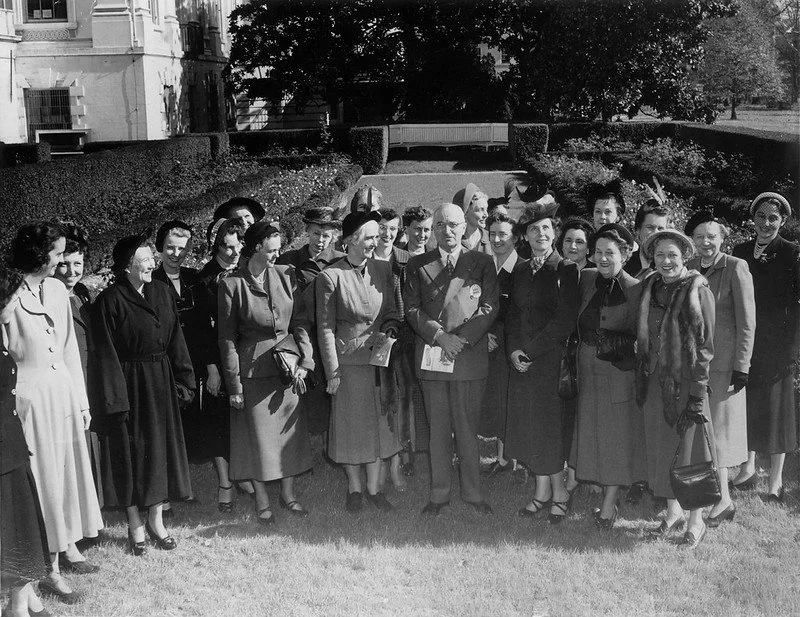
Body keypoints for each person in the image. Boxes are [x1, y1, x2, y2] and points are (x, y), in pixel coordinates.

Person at [3, 222, 103, 603]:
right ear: (38, 254)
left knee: (63, 481)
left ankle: (60, 559)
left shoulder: (59, 290)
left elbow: (68, 351)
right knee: (40, 484)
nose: (62, 261)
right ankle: (42, 572)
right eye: (57, 253)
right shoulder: (8, 294)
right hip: (28, 404)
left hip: (61, 397)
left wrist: (81, 402)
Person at [91, 234, 195, 555]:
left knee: (158, 454)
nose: (152, 263)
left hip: (161, 383)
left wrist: (185, 381)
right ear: (126, 267)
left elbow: (176, 340)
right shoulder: (110, 301)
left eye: (152, 258)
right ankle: (135, 526)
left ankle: (156, 521)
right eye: (145, 260)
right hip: (128, 386)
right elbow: (104, 355)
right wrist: (114, 400)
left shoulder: (162, 292)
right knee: (131, 457)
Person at [405, 203, 499, 516]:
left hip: (468, 358)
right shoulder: (417, 264)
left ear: (465, 227)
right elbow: (412, 309)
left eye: (454, 225)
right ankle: (439, 495)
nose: (448, 231)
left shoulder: (482, 262)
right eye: (441, 225)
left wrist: (460, 339)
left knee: (468, 431)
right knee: (438, 431)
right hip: (433, 357)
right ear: (434, 230)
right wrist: (440, 336)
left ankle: (473, 494)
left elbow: (489, 307)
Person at [218, 222, 314, 525]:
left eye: (278, 250)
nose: (276, 255)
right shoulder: (231, 284)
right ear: (256, 247)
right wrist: (234, 385)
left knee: (289, 436)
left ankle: (289, 494)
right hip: (254, 371)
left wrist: (305, 362)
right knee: (258, 440)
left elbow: (299, 322)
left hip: (289, 368)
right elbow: (227, 338)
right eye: (271, 250)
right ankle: (261, 499)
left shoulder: (286, 274)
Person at [316, 211, 402, 513]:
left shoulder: (382, 268)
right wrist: (332, 371)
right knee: (352, 428)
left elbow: (392, 311)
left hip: (378, 362)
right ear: (351, 241)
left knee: (378, 426)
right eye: (369, 237)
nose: (374, 242)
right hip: (348, 366)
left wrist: (389, 330)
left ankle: (375, 489)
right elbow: (325, 328)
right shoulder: (330, 277)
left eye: (376, 237)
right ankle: (354, 488)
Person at [638, 230, 715, 548]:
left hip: (685, 386)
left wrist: (697, 392)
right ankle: (673, 513)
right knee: (662, 449)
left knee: (690, 454)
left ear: (685, 256)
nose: (666, 261)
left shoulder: (698, 290)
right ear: (652, 258)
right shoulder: (651, 286)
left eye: (672, 255)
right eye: (659, 255)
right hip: (657, 383)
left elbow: (706, 346)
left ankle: (696, 522)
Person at [505, 203, 579, 524]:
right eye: (534, 229)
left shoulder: (566, 269)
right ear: (525, 235)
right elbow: (512, 317)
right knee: (531, 428)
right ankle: (541, 493)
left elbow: (563, 322)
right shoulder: (520, 269)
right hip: (521, 362)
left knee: (549, 430)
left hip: (549, 363)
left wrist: (530, 352)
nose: (540, 234)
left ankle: (560, 494)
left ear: (555, 233)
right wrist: (512, 351)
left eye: (546, 228)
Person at [571, 224, 645, 529]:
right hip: (587, 372)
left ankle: (608, 507)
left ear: (625, 255)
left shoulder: (638, 289)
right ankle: (588, 486)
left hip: (618, 374)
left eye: (610, 253)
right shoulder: (587, 278)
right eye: (598, 251)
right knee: (591, 432)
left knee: (615, 439)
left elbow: (646, 336)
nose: (602, 258)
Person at [685, 211, 755, 525]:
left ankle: (724, 500)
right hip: (696, 365)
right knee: (705, 433)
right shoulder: (688, 270)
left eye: (711, 236)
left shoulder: (737, 267)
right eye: (699, 236)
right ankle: (718, 497)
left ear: (722, 238)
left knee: (721, 435)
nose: (705, 242)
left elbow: (747, 323)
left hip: (725, 366)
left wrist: (742, 365)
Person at [731, 192, 799, 503]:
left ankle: (775, 481)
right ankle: (748, 469)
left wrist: (792, 350)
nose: (766, 223)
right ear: (753, 218)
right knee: (750, 406)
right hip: (748, 342)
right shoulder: (741, 250)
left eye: (773, 218)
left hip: (777, 346)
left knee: (776, 413)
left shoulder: (792, 253)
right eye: (761, 216)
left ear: (783, 221)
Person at [1, 269, 52, 617]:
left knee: (18, 526)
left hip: (10, 443)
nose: (18, 300)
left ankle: (20, 604)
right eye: (14, 294)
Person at [197, 217, 251, 511]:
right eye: (226, 247)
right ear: (217, 246)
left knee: (243, 420)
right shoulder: (206, 280)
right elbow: (203, 330)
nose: (232, 252)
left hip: (245, 356)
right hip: (218, 358)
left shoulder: (247, 272)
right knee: (219, 423)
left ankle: (242, 473)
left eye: (237, 246)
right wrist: (212, 369)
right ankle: (225, 483)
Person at [276, 207, 344, 436]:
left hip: (333, 337)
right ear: (306, 231)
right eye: (316, 233)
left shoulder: (340, 262)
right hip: (301, 336)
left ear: (334, 236)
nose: (321, 240)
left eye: (326, 235)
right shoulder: (290, 260)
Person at [52, 223, 103, 509]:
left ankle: (91, 505)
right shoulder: (53, 295)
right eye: (65, 265)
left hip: (88, 374)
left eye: (78, 264)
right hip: (69, 377)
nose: (72, 271)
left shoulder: (83, 293)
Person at [152, 221, 203, 503]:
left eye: (182, 248)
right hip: (166, 360)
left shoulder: (195, 278)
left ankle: (184, 486)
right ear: (160, 248)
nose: (175, 253)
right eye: (170, 247)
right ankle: (166, 494)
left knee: (190, 425)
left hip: (192, 360)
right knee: (167, 427)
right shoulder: (152, 280)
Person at [372, 208, 415, 490]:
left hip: (402, 341)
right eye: (381, 228)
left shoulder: (406, 260)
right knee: (378, 404)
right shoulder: (363, 259)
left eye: (392, 228)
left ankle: (398, 462)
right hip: (372, 342)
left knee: (402, 403)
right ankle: (377, 460)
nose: (387, 234)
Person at [479, 212, 518, 476]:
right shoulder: (484, 266)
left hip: (511, 345)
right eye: (492, 234)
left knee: (510, 401)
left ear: (514, 237)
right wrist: (485, 333)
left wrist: (499, 336)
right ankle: (502, 458)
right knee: (494, 400)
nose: (497, 239)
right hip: (487, 342)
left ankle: (510, 459)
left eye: (502, 234)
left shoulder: (522, 269)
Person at [624, 199, 670, 279]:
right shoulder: (624, 265)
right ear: (638, 231)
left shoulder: (671, 268)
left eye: (660, 228)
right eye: (650, 227)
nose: (655, 233)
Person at [453, 183, 491, 253]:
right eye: (480, 210)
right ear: (465, 213)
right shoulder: (453, 240)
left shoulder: (491, 238)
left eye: (486, 209)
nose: (486, 215)